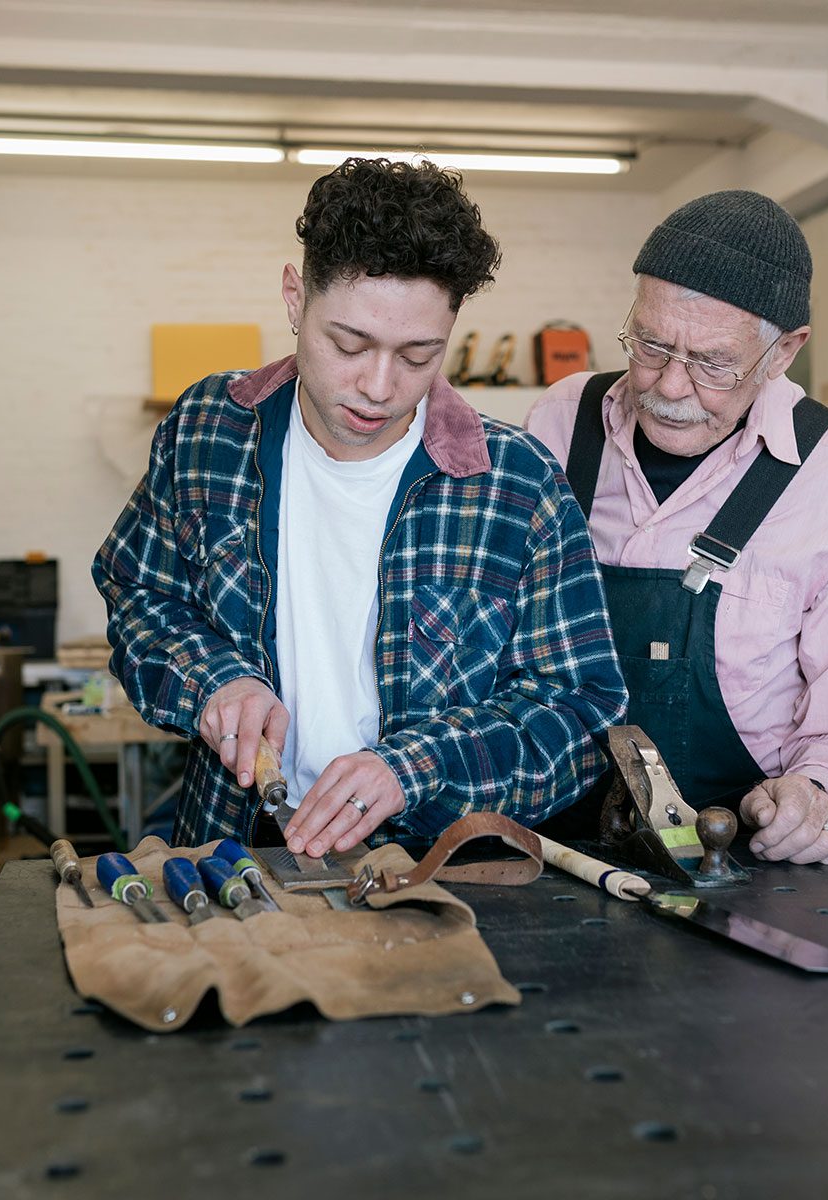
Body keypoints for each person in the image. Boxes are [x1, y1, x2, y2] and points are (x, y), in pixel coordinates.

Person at [97, 157, 626, 855]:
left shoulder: (516, 486)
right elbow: (141, 596)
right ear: (294, 299)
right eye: (348, 344)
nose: (378, 386)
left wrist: (414, 768)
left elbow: (577, 710)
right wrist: (213, 681)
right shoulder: (206, 431)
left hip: (435, 873)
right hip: (236, 850)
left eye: (417, 355)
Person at [526, 191, 828, 865]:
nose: (669, 386)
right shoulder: (560, 424)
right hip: (551, 853)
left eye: (711, 362)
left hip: (736, 872)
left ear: (785, 351)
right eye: (650, 344)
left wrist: (813, 798)